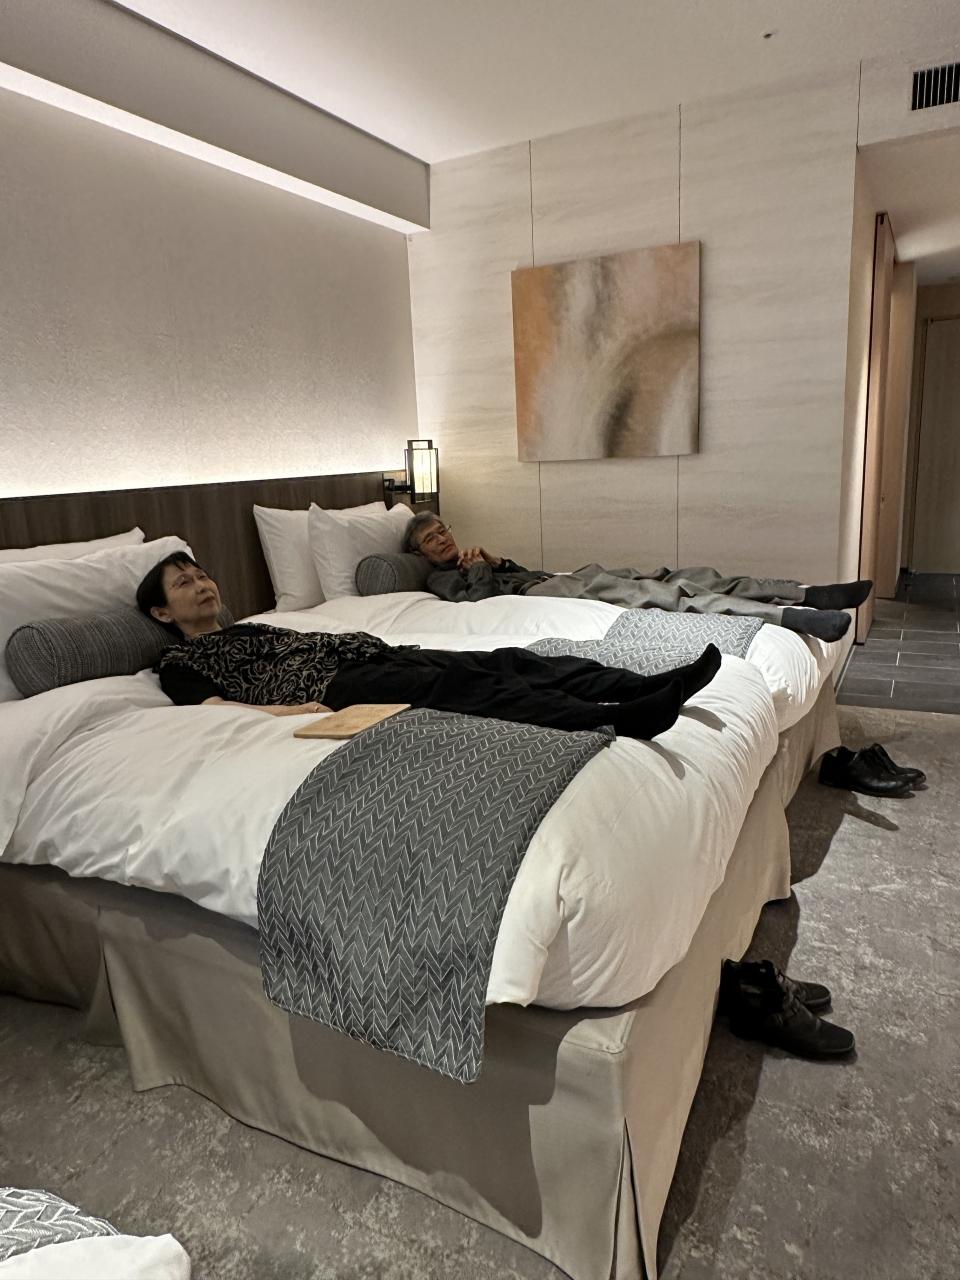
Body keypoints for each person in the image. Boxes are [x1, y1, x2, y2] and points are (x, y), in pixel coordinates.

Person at [136, 552, 722, 740]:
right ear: (163, 612)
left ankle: (642, 684)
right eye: (184, 583)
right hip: (333, 685)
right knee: (469, 688)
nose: (202, 584)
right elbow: (215, 710)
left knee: (511, 659)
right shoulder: (180, 661)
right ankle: (614, 720)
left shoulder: (254, 626)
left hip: (369, 653)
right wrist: (292, 712)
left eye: (202, 574)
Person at [402, 513, 872, 643]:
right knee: (664, 595)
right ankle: (790, 618)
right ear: (419, 553)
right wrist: (480, 569)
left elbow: (514, 578)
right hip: (551, 591)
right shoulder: (438, 580)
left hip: (560, 577)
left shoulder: (472, 558)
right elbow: (480, 605)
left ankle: (807, 592)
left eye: (443, 530)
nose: (441, 539)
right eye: (430, 539)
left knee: (682, 575)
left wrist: (501, 561)